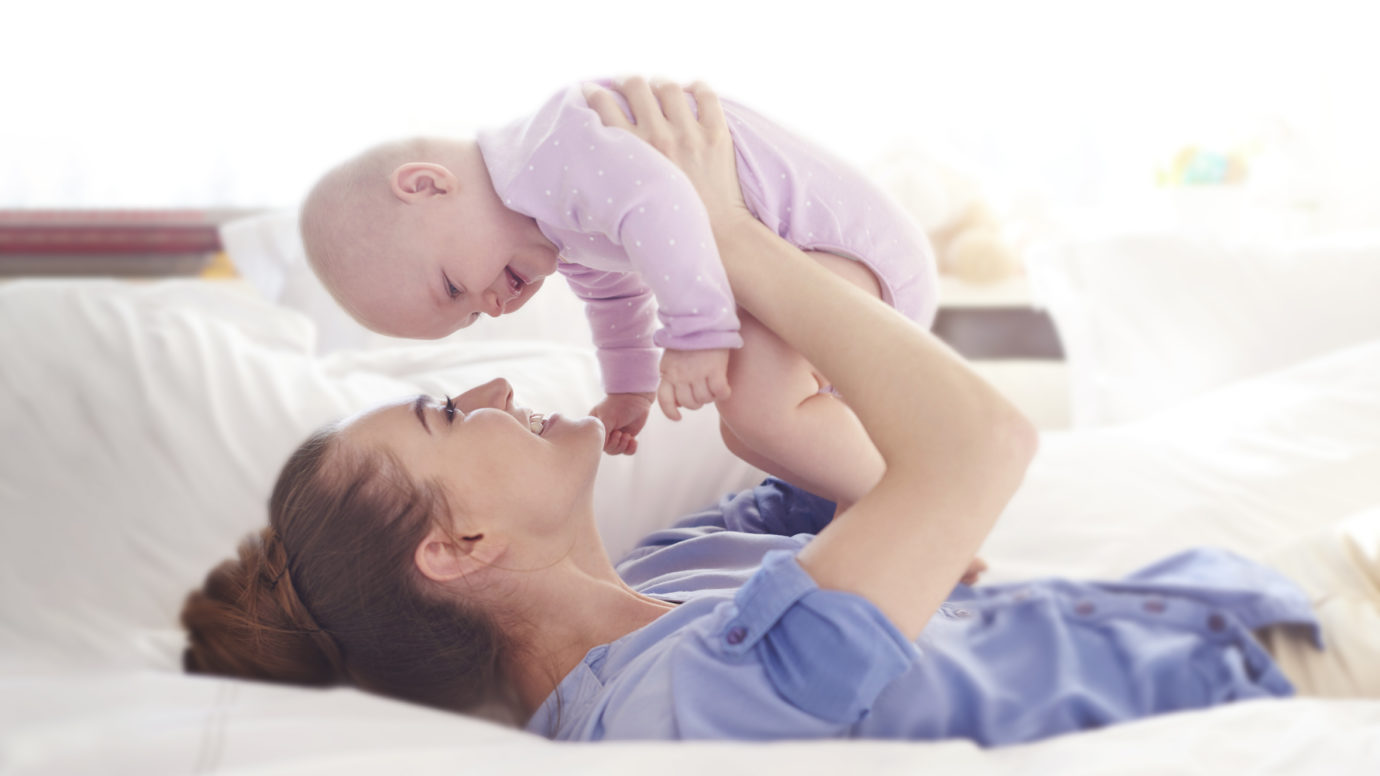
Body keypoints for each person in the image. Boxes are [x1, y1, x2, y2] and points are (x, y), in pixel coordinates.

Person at [182, 80, 1377, 745]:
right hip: (1303, 677)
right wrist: (729, 235)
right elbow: (975, 443)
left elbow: (884, 460)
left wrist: (735, 252)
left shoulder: (684, 559)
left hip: (1263, 589)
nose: (494, 383)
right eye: (445, 410)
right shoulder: (674, 708)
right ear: (458, 547)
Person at [297, 76, 938, 521]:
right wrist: (629, 386)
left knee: (759, 405)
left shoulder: (555, 147)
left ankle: (910, 511)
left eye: (453, 287)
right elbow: (614, 292)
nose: (488, 307)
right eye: (468, 316)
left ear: (428, 185)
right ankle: (865, 495)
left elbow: (665, 207)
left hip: (847, 255)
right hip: (817, 279)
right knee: (745, 435)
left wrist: (698, 336)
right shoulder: (555, 221)